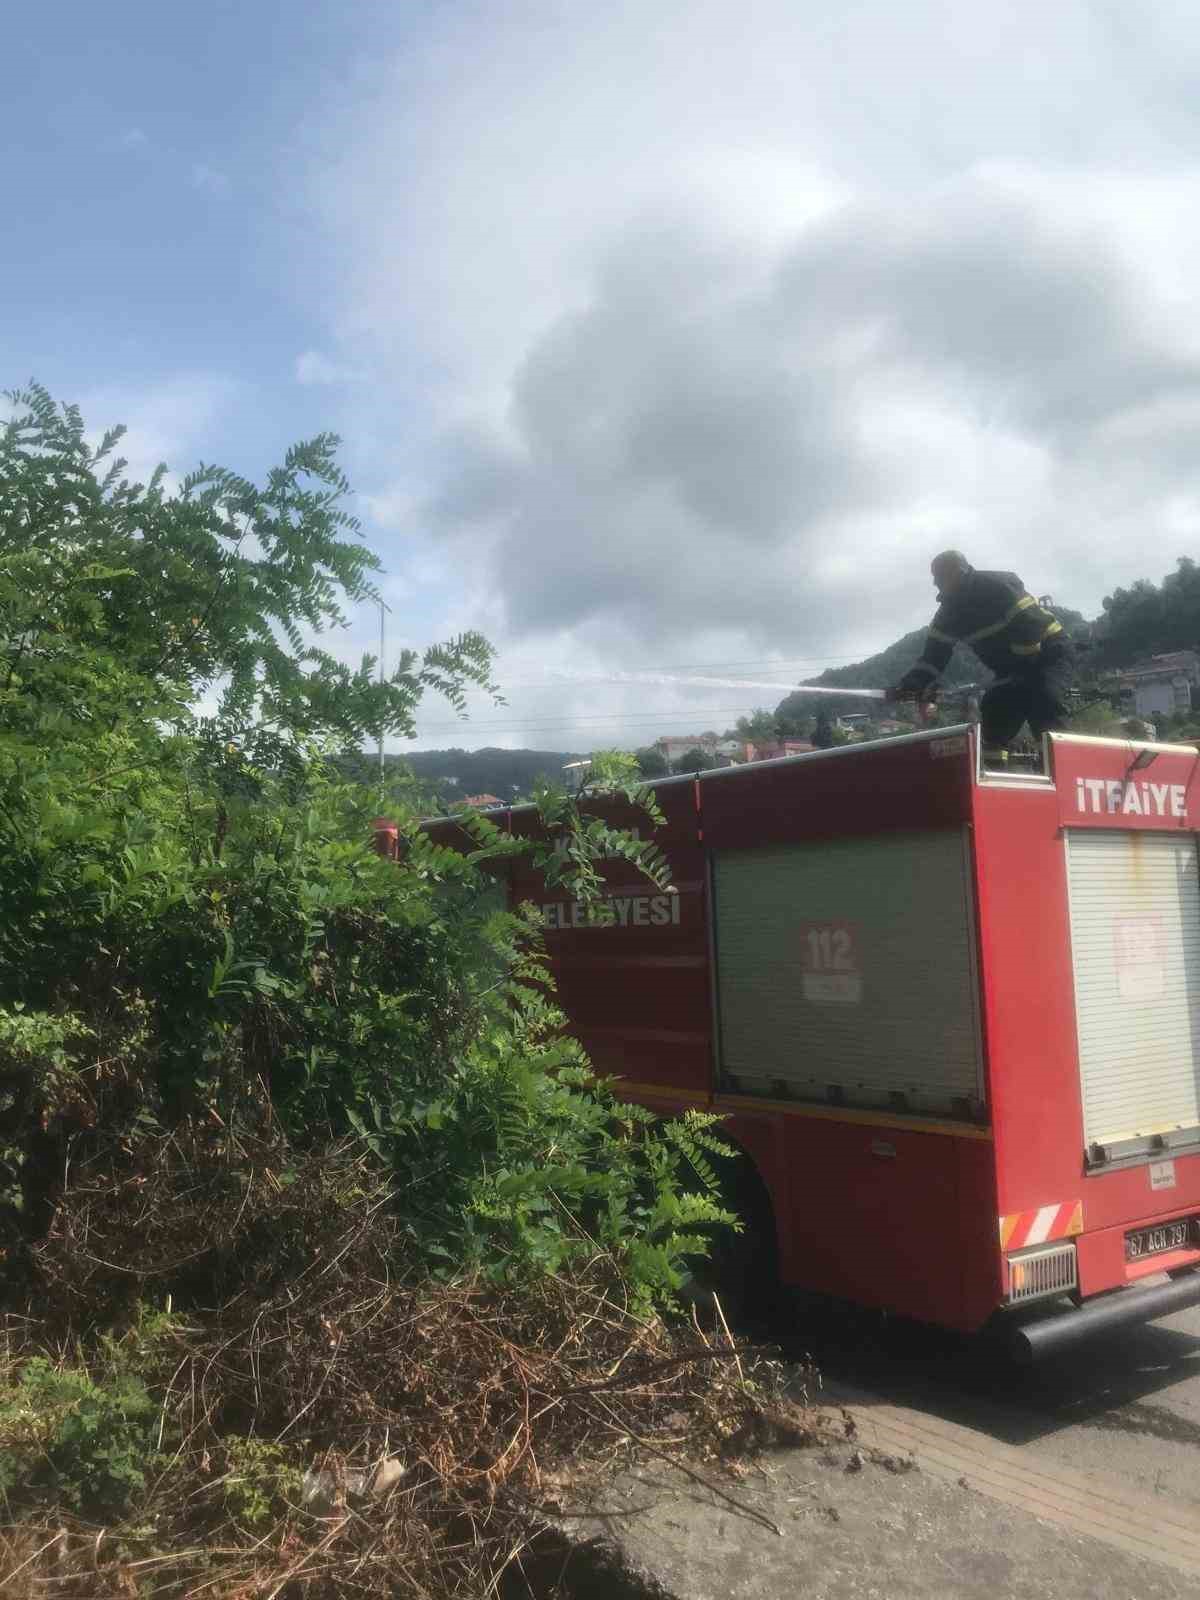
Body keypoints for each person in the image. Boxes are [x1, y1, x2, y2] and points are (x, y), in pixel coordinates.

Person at [890, 551, 1073, 765]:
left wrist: (1023, 670)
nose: (934, 583)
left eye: (938, 576)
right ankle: (997, 783)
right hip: (1011, 669)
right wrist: (910, 685)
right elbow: (932, 658)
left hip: (1048, 654)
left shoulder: (999, 586)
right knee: (994, 714)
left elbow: (1031, 627)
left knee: (1044, 702)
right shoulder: (947, 615)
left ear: (958, 572)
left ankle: (1061, 770)